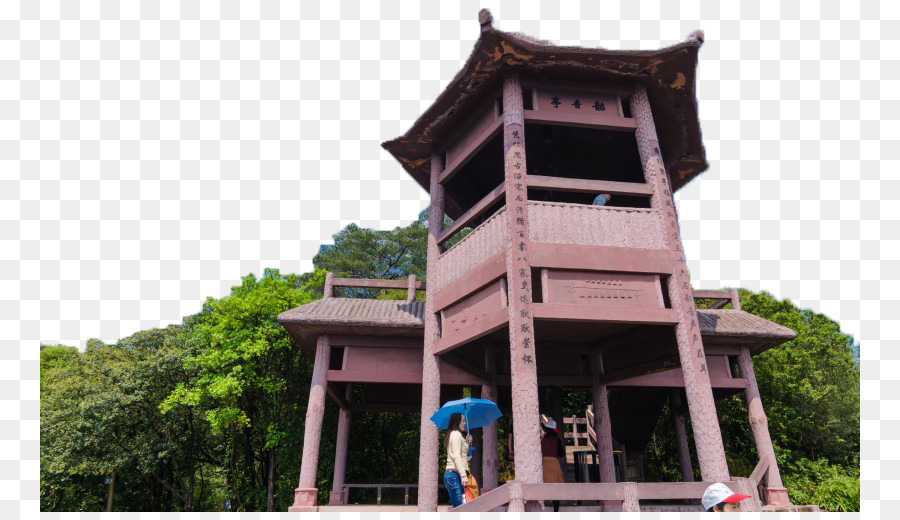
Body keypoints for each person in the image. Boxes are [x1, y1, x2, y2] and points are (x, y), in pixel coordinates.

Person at [540, 414, 566, 512]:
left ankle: (544, 505)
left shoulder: (542, 440)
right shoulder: (557, 439)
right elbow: (561, 454)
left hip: (544, 464)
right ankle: (556, 511)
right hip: (554, 464)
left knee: (544, 484)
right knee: (556, 487)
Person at [444, 413, 470, 508]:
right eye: (463, 420)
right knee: (460, 510)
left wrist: (467, 442)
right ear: (457, 422)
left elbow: (464, 456)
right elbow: (456, 456)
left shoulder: (457, 435)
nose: (465, 423)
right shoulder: (456, 434)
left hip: (455, 475)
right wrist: (463, 475)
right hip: (455, 475)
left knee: (459, 509)